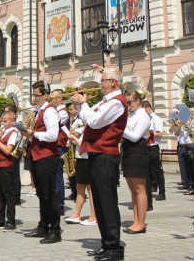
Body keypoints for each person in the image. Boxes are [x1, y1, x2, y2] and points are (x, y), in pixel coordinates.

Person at [72, 68, 129, 261]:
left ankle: (114, 248)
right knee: (100, 201)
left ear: (113, 82)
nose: (100, 84)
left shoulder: (117, 102)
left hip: (106, 156)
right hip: (97, 154)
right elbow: (89, 119)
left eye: (103, 80)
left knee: (108, 203)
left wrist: (84, 103)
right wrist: (82, 106)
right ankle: (106, 244)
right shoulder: (107, 101)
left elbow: (94, 122)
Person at [23, 80, 62, 244]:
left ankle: (55, 230)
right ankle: (43, 226)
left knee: (49, 194)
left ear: (45, 95)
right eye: (33, 95)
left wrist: (34, 134)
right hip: (37, 155)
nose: (35, 98)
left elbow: (53, 135)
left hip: (47, 156)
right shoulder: (38, 111)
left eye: (37, 95)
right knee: (41, 194)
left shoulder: (50, 112)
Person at [122, 91, 150, 233]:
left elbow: (135, 136)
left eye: (129, 102)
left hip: (137, 151)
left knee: (140, 189)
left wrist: (121, 128)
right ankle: (136, 220)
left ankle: (141, 223)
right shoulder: (132, 115)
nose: (127, 105)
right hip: (128, 151)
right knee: (133, 189)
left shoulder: (143, 115)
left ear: (138, 101)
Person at [143, 100, 165, 206]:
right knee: (148, 170)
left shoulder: (156, 119)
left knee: (157, 170)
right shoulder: (146, 119)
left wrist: (149, 134)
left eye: (144, 110)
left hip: (153, 147)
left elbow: (160, 133)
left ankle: (162, 192)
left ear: (148, 108)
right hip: (146, 147)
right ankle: (152, 187)